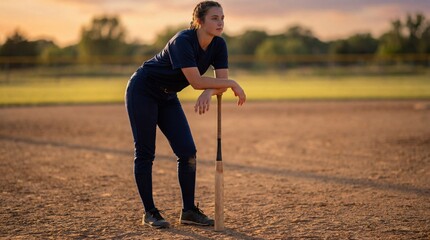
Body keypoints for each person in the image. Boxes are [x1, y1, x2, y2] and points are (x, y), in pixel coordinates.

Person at [125, 0, 246, 229]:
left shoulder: (219, 45)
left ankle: (188, 211)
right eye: (214, 18)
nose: (220, 23)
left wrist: (210, 91)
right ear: (199, 21)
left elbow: (214, 83)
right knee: (145, 153)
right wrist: (229, 84)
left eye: (222, 18)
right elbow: (196, 81)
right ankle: (150, 212)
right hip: (143, 90)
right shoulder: (183, 41)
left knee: (187, 151)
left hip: (169, 96)